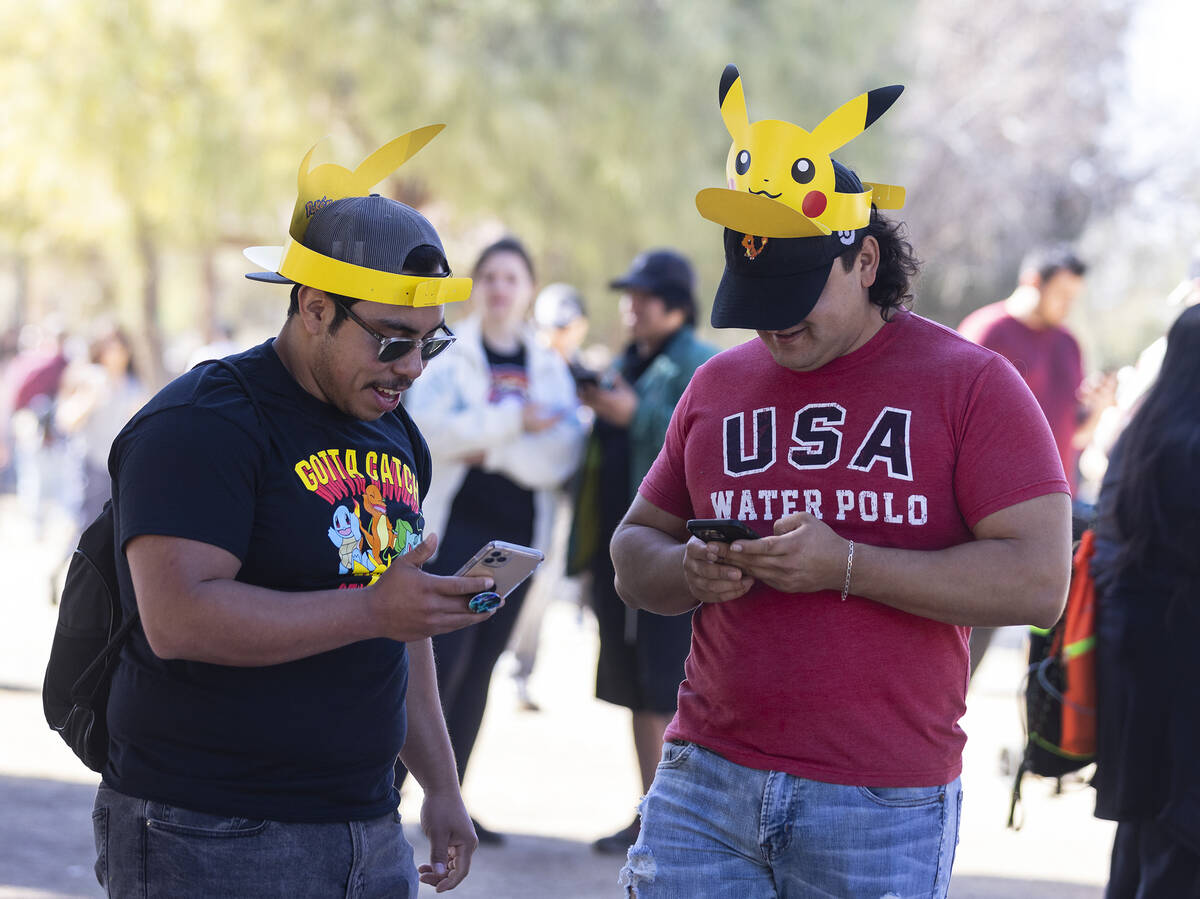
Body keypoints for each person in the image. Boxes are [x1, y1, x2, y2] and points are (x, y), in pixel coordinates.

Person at [609, 160, 1072, 894]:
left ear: (864, 260)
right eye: (757, 297)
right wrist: (687, 569)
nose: (774, 320)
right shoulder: (718, 383)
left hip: (879, 801)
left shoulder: (971, 384)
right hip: (705, 779)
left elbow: (1040, 581)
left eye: (795, 294)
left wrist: (848, 563)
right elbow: (632, 551)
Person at [91, 133, 495, 897]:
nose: (411, 367)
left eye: (430, 344)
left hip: (369, 828)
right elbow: (178, 616)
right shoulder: (203, 421)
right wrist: (373, 608)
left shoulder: (396, 432)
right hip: (207, 832)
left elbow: (397, 626)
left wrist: (441, 783)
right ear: (313, 307)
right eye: (392, 340)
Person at [401, 237, 585, 843]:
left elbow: (560, 453)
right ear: (475, 286)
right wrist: (513, 424)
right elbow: (429, 427)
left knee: (481, 667)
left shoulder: (548, 363)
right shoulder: (450, 354)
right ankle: (388, 794)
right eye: (490, 277)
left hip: (516, 540)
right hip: (454, 530)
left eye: (512, 277)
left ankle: (453, 798)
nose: (500, 288)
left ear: (529, 288)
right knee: (436, 664)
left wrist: (491, 446)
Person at [566, 248, 718, 855]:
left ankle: (669, 822)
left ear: (676, 306)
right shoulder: (631, 361)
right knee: (637, 686)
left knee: (665, 687)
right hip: (626, 555)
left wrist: (637, 414)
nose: (630, 307)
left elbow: (703, 450)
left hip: (672, 558)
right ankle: (650, 812)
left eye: (644, 297)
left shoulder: (701, 366)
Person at [957, 245, 1114, 674]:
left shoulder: (1068, 344)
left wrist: (1097, 411)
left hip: (1056, 512)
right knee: (972, 636)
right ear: (1032, 283)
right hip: (989, 514)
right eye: (1061, 294)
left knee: (1050, 642)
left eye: (1074, 297)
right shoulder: (987, 332)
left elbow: (1073, 432)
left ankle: (1035, 731)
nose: (1068, 306)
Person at [1090, 303, 1200, 898]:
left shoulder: (1141, 433)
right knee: (1181, 834)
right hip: (1186, 665)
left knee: (1139, 823)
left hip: (1130, 652)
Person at [507, 281, 593, 711]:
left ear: (578, 326)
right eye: (546, 325)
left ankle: (522, 670)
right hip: (529, 496)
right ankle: (513, 668)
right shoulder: (524, 367)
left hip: (569, 503)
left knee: (543, 585)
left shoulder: (587, 375)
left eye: (561, 325)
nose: (552, 334)